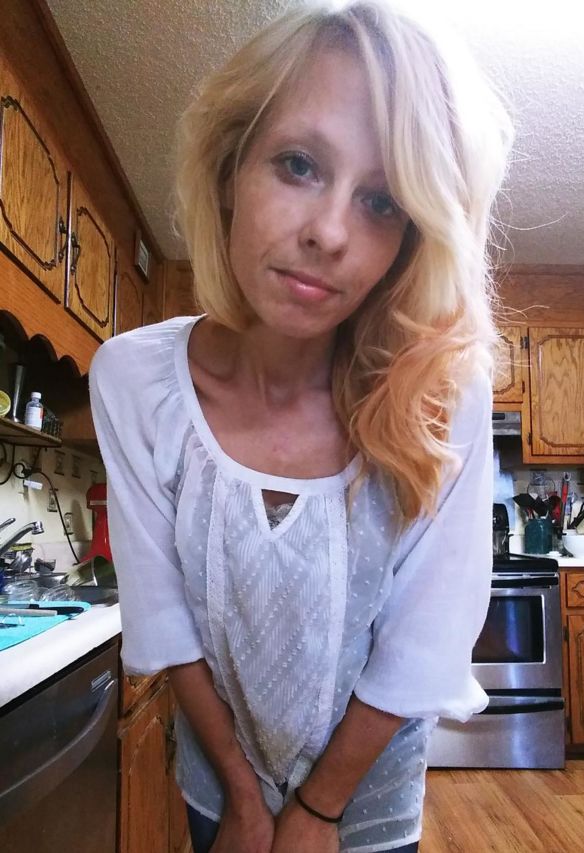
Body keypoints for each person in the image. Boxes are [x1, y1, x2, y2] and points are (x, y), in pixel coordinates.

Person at [89, 2, 513, 851]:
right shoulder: (135, 382)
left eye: (382, 201)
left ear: (411, 239)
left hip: (369, 799)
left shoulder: (441, 395)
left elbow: (425, 640)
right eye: (298, 164)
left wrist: (318, 809)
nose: (329, 233)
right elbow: (163, 616)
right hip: (217, 785)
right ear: (228, 170)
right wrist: (244, 799)